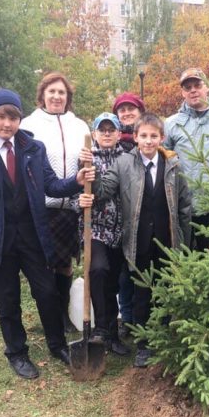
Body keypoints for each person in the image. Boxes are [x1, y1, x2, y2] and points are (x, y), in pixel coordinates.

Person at [0, 89, 94, 379]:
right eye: (1, 117)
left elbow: (52, 186)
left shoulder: (33, 148)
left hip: (33, 237)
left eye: (13, 117)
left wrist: (76, 181)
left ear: (20, 119)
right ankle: (17, 352)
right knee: (8, 301)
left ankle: (57, 345)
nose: (7, 124)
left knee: (47, 292)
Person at [80, 113, 191, 368]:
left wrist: (184, 243)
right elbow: (104, 191)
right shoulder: (124, 163)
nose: (149, 141)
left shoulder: (173, 165)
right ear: (136, 138)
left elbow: (184, 206)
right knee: (142, 291)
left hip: (167, 240)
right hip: (139, 241)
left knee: (166, 289)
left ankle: (164, 336)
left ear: (162, 138)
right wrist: (90, 173)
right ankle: (143, 345)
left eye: (154, 136)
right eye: (144, 136)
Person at [20, 72, 91, 334]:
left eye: (62, 92)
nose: (57, 97)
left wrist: (88, 159)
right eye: (52, 92)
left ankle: (62, 314)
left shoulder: (80, 125)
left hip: (70, 206)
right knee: (43, 265)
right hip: (41, 207)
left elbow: (88, 162)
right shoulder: (29, 125)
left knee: (64, 263)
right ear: (42, 95)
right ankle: (48, 316)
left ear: (68, 97)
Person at [164, 68, 209, 252]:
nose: (193, 90)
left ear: (207, 88)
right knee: (184, 258)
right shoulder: (172, 124)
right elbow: (164, 160)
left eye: (197, 85)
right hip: (183, 206)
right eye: (188, 87)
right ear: (182, 93)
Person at [77, 112, 130, 356]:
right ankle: (99, 329)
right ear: (95, 133)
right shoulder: (87, 159)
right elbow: (74, 191)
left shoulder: (129, 158)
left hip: (121, 231)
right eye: (102, 130)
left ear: (119, 133)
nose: (107, 133)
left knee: (112, 283)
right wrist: (81, 198)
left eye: (111, 130)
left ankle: (112, 333)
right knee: (98, 270)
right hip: (95, 228)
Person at [111, 92, 145, 337]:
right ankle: (127, 318)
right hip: (120, 218)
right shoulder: (112, 143)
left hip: (146, 216)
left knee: (143, 268)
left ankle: (147, 316)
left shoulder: (149, 140)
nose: (126, 113)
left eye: (130, 108)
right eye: (121, 110)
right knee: (124, 272)